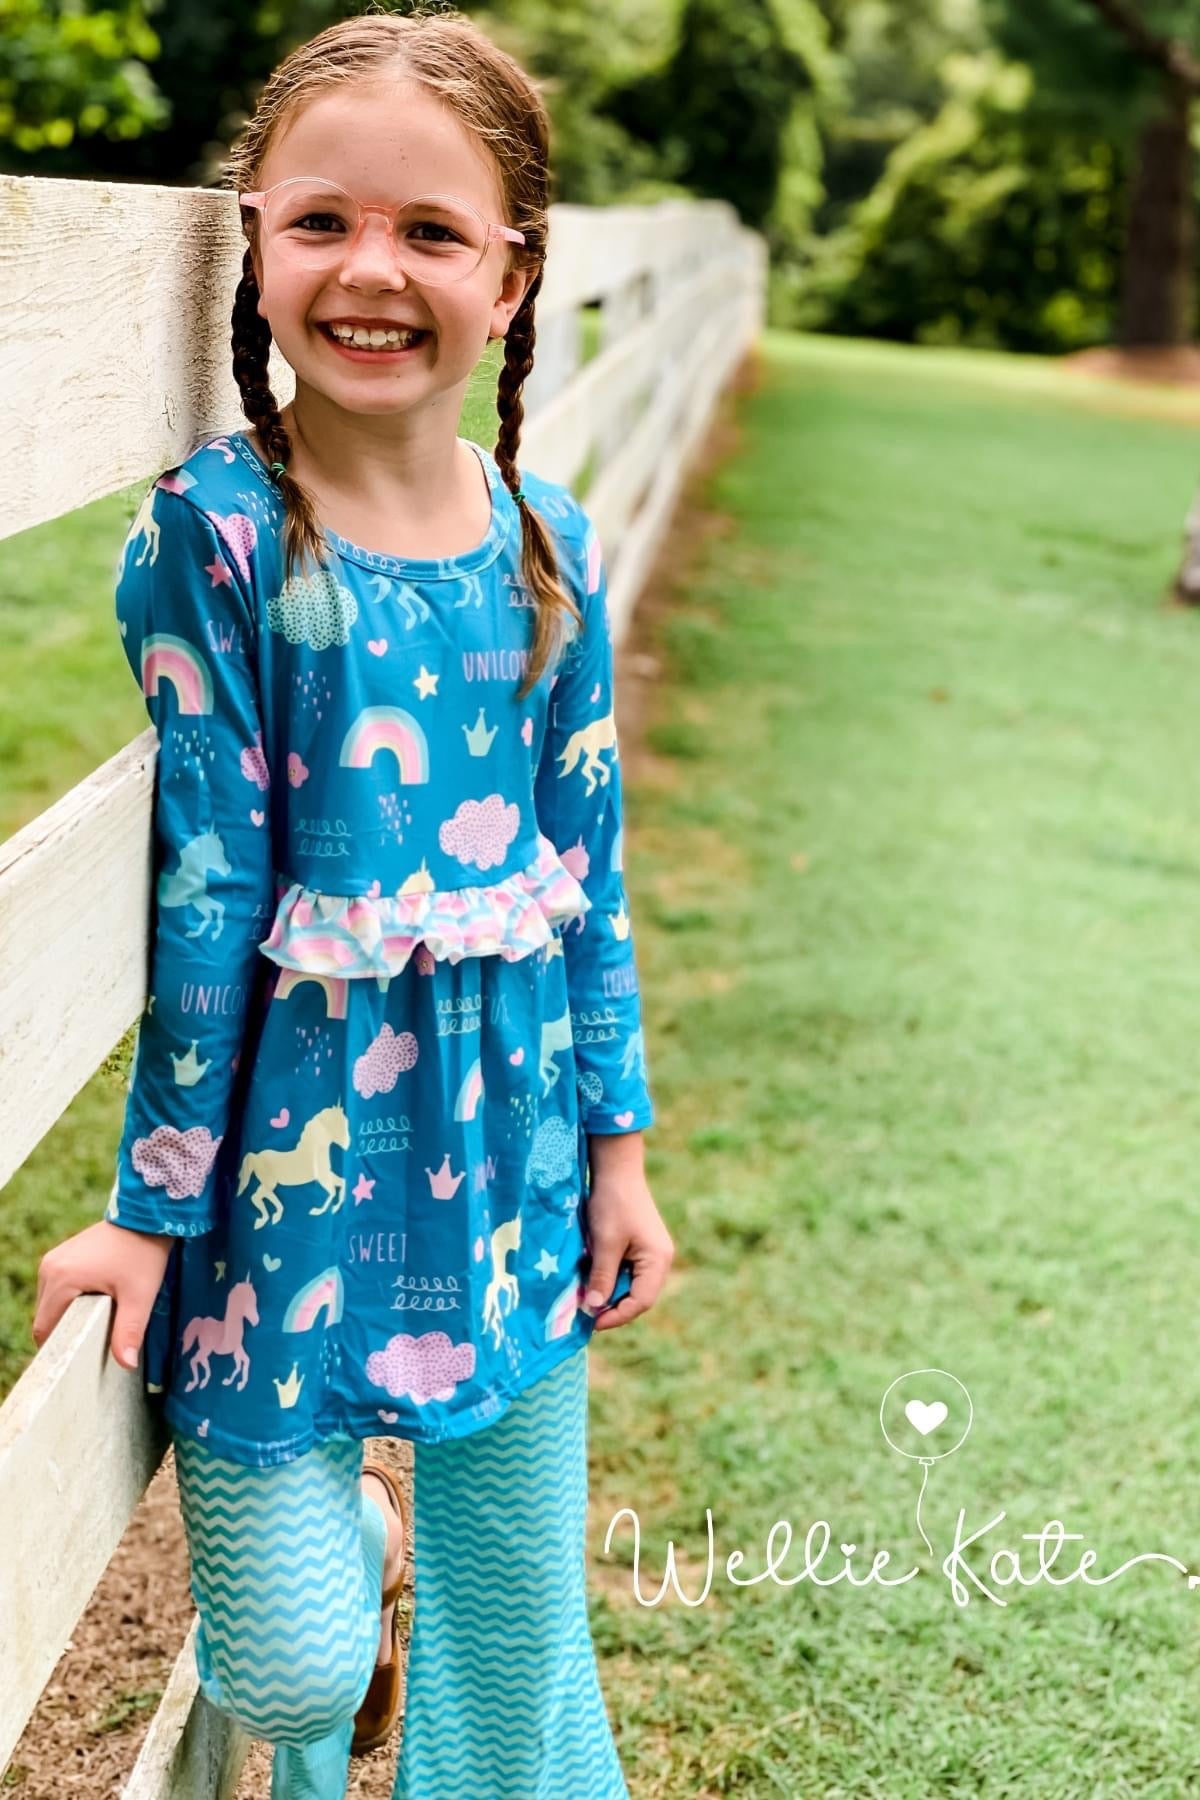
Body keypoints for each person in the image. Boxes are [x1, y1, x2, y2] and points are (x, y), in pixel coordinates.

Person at [30, 8, 674, 1795]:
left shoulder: (548, 544)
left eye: (431, 232)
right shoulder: (219, 537)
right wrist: (149, 1217)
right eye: (322, 221)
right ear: (256, 241)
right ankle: (360, 1558)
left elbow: (590, 872)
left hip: (515, 1161)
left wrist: (619, 1153)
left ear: (511, 276)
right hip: (280, 1190)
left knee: (518, 1628)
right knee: (293, 1663)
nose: (371, 270)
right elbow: (210, 890)